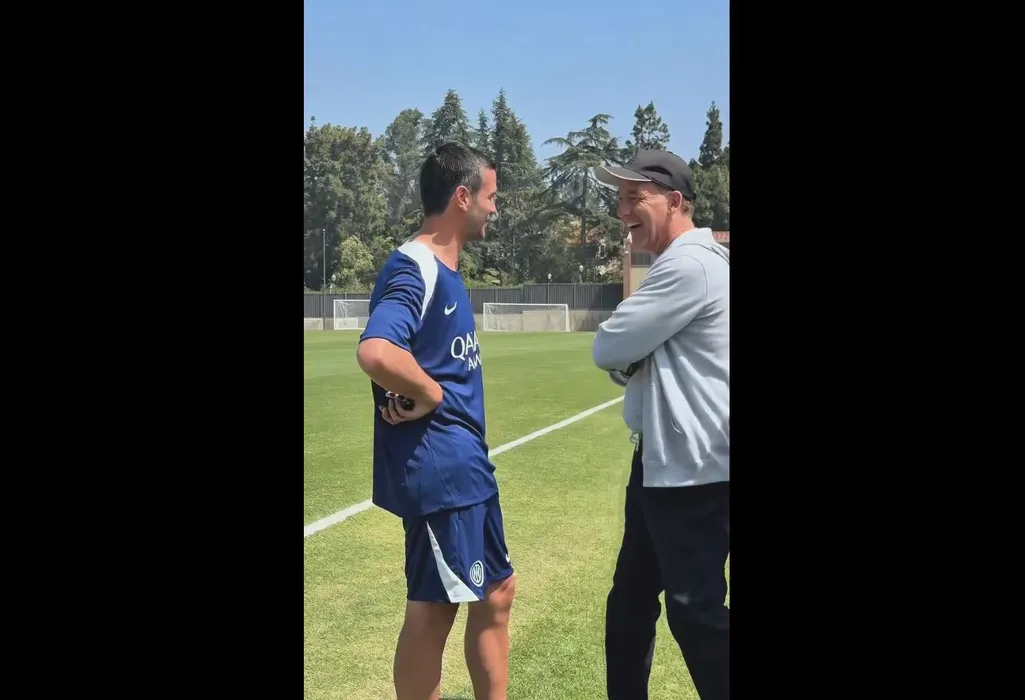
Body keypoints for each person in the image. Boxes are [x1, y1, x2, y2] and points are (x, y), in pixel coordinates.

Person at [355, 141, 515, 700]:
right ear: (462, 197)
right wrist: (428, 392)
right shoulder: (415, 267)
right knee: (434, 609)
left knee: (497, 593)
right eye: (491, 196)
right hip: (440, 471)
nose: (495, 208)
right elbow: (377, 350)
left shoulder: (446, 270)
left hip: (468, 469)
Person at [591, 149, 730, 700]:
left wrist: (633, 355)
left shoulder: (687, 264)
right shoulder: (693, 261)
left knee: (695, 612)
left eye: (635, 197)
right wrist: (636, 355)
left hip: (692, 468)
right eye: (619, 198)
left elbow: (609, 346)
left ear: (674, 201)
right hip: (662, 462)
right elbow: (625, 354)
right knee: (630, 602)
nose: (622, 210)